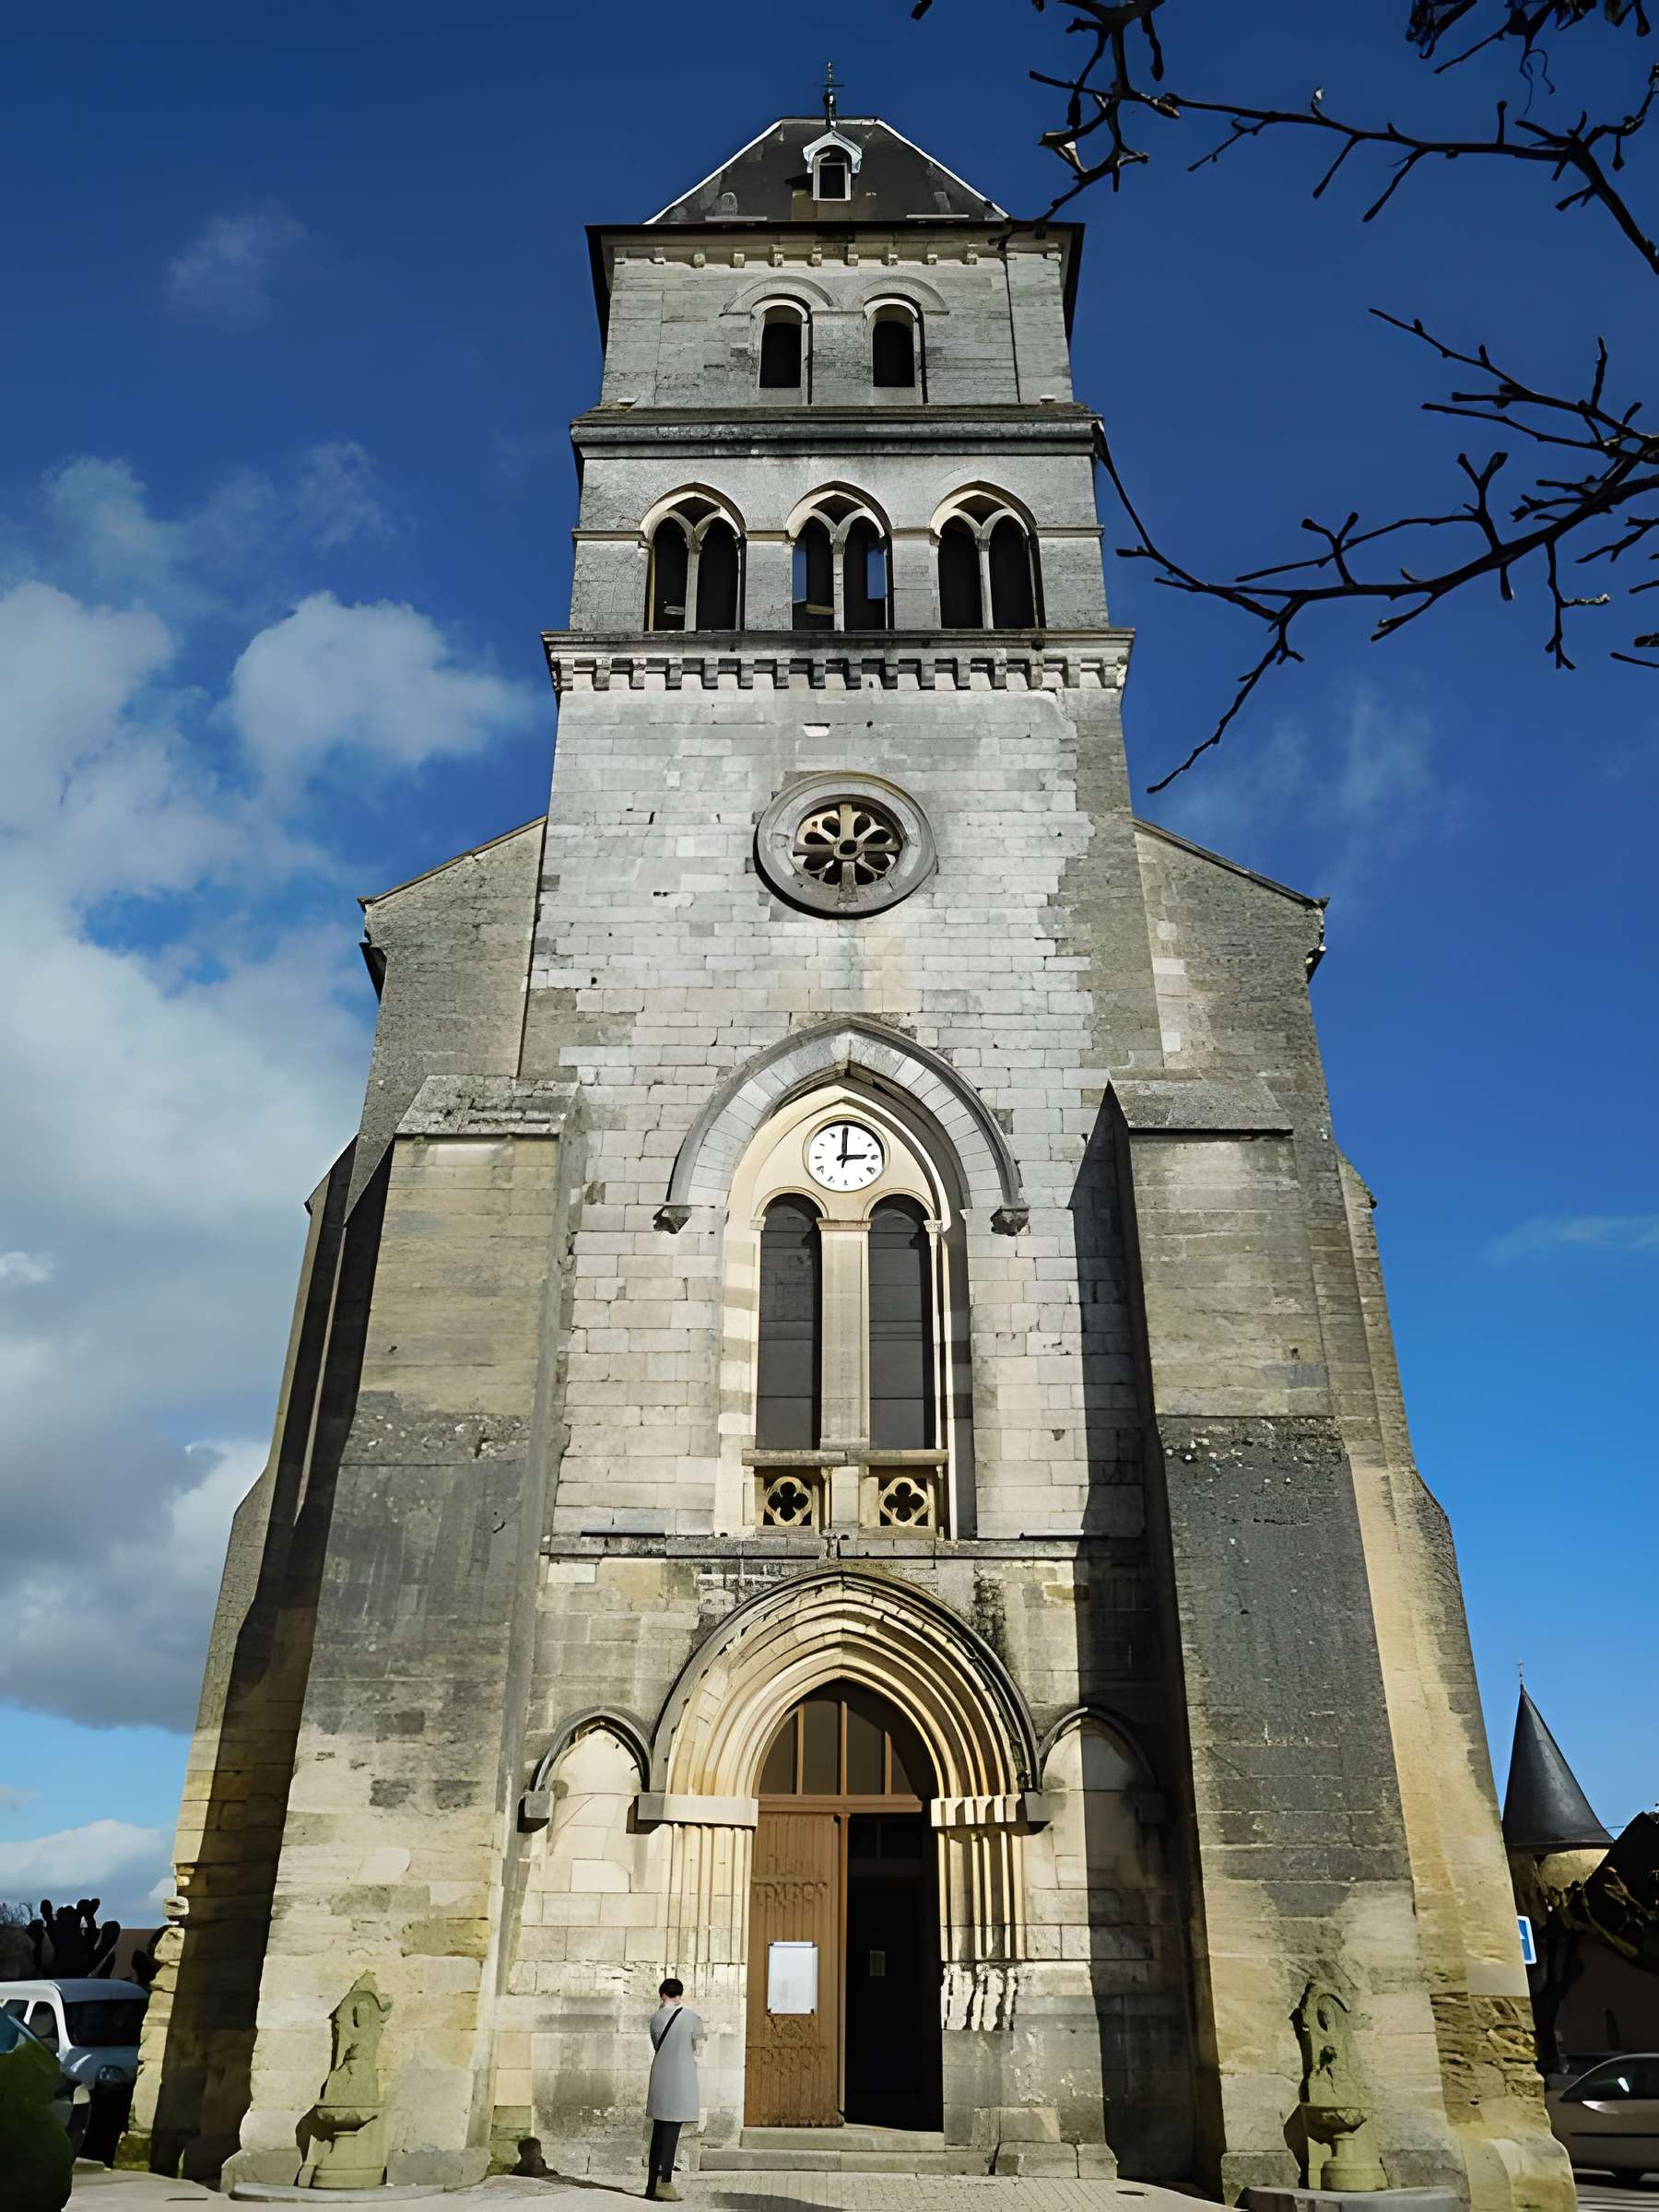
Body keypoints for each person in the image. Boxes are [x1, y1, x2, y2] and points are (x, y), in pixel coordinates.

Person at [644, 1976, 702, 2201]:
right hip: (681, 2078)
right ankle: (664, 2184)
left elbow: (656, 2044)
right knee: (671, 2132)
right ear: (680, 1994)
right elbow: (699, 2049)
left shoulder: (655, 2017)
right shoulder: (693, 2018)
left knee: (659, 2130)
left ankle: (652, 2184)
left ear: (662, 1995)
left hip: (660, 2076)